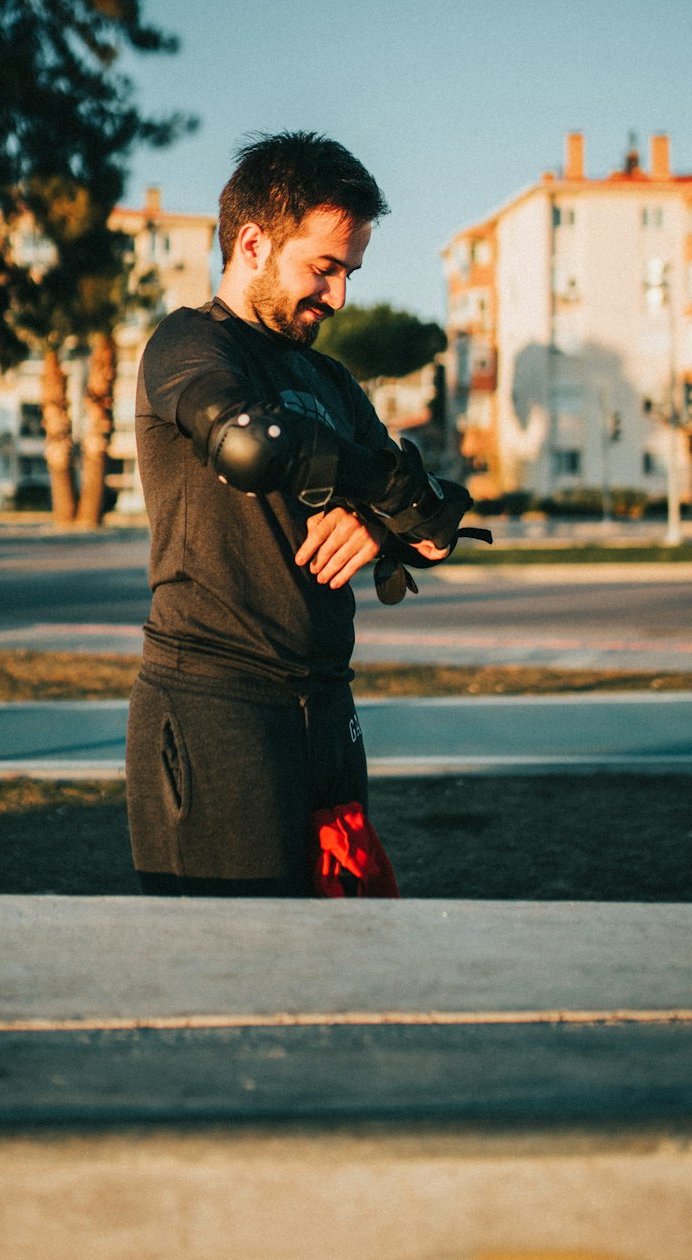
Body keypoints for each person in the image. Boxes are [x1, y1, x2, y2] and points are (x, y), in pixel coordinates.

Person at [125, 131, 475, 896]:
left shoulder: (331, 379)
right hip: (217, 700)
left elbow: (436, 528)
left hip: (327, 708)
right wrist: (389, 491)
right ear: (253, 243)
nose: (339, 297)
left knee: (336, 956)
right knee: (233, 971)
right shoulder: (189, 345)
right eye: (324, 268)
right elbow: (249, 446)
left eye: (348, 272)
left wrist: (383, 521)